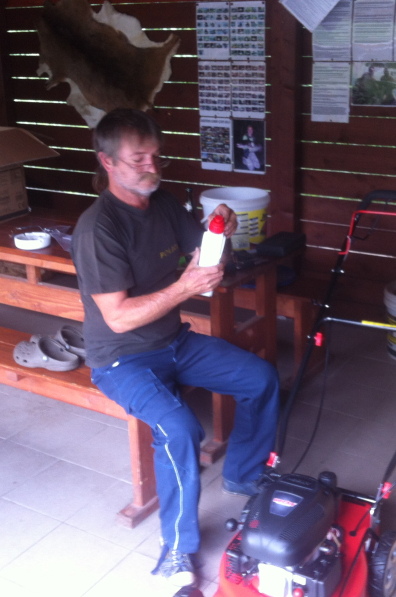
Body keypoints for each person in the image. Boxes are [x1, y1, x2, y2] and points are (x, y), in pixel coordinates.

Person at [70, 109, 279, 588]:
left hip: (172, 341)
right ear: (107, 161)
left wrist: (220, 231)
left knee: (260, 377)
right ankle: (177, 548)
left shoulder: (163, 204)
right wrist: (185, 287)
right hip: (120, 359)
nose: (152, 165)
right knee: (180, 428)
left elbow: (206, 261)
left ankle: (244, 474)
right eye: (138, 158)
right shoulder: (98, 229)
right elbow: (118, 318)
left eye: (156, 155)